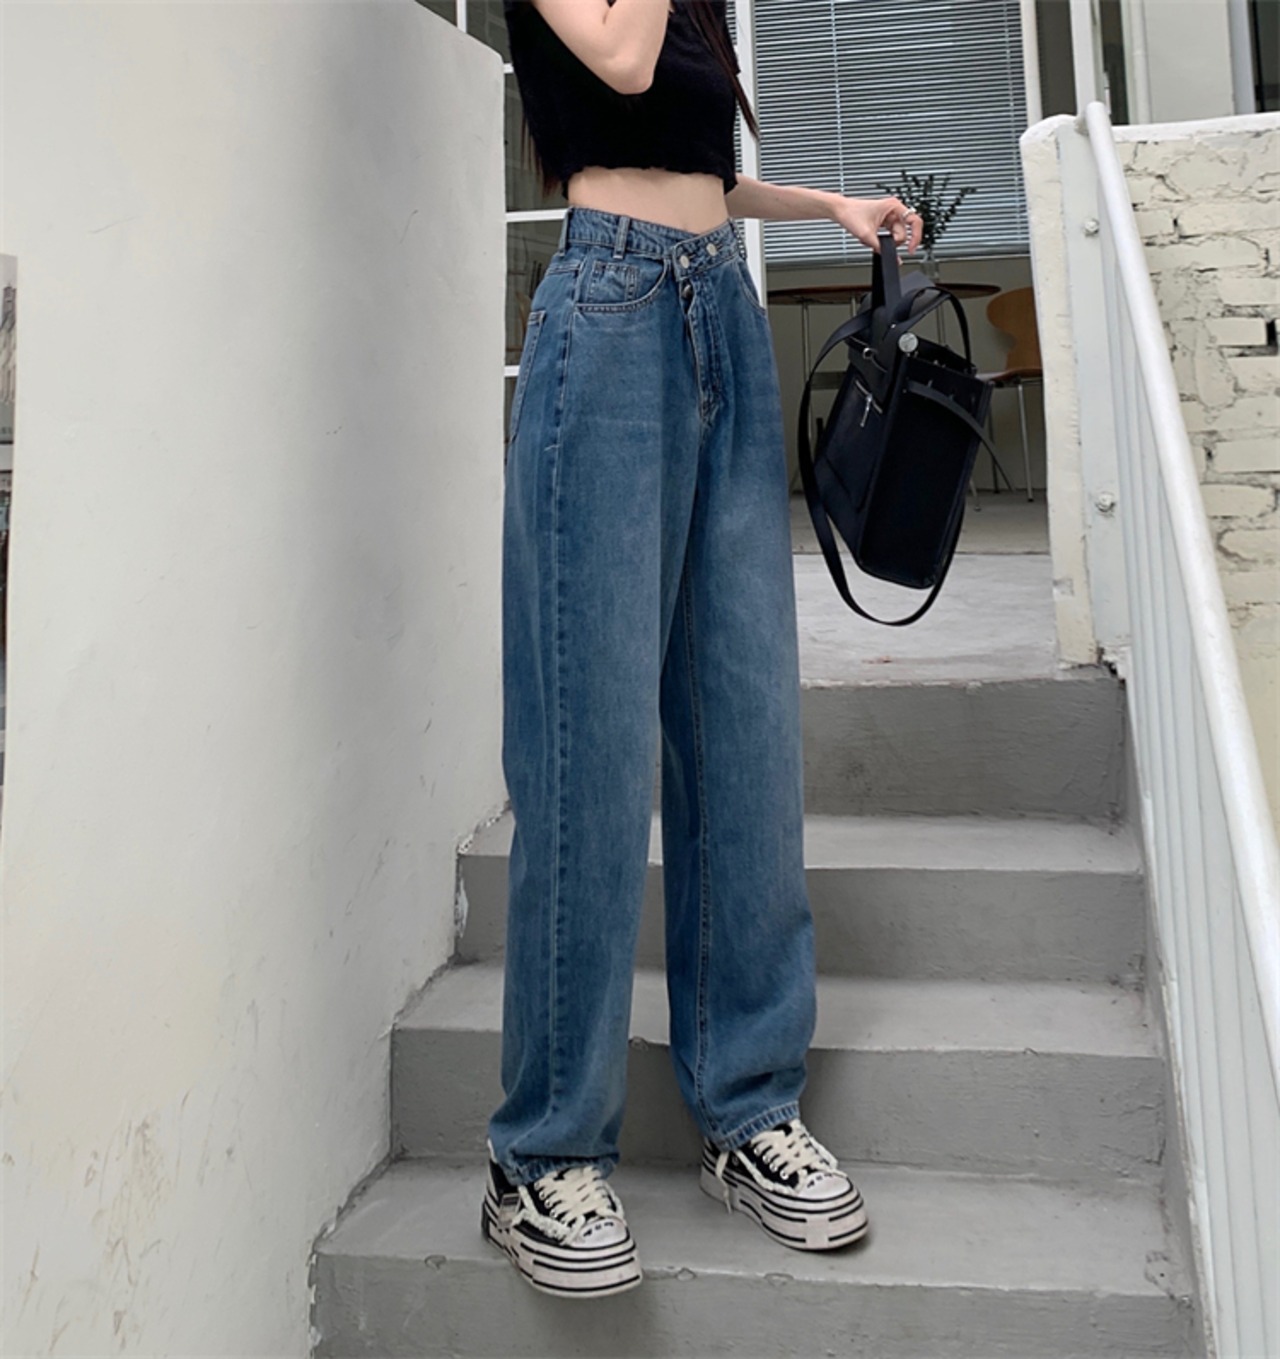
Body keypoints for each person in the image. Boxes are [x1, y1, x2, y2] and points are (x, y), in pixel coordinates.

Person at [482, 0, 922, 1299]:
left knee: (745, 730)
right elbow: (616, 62)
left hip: (717, 305)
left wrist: (826, 204)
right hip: (608, 316)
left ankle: (747, 1105)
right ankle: (541, 1153)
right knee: (591, 752)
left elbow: (697, 170)